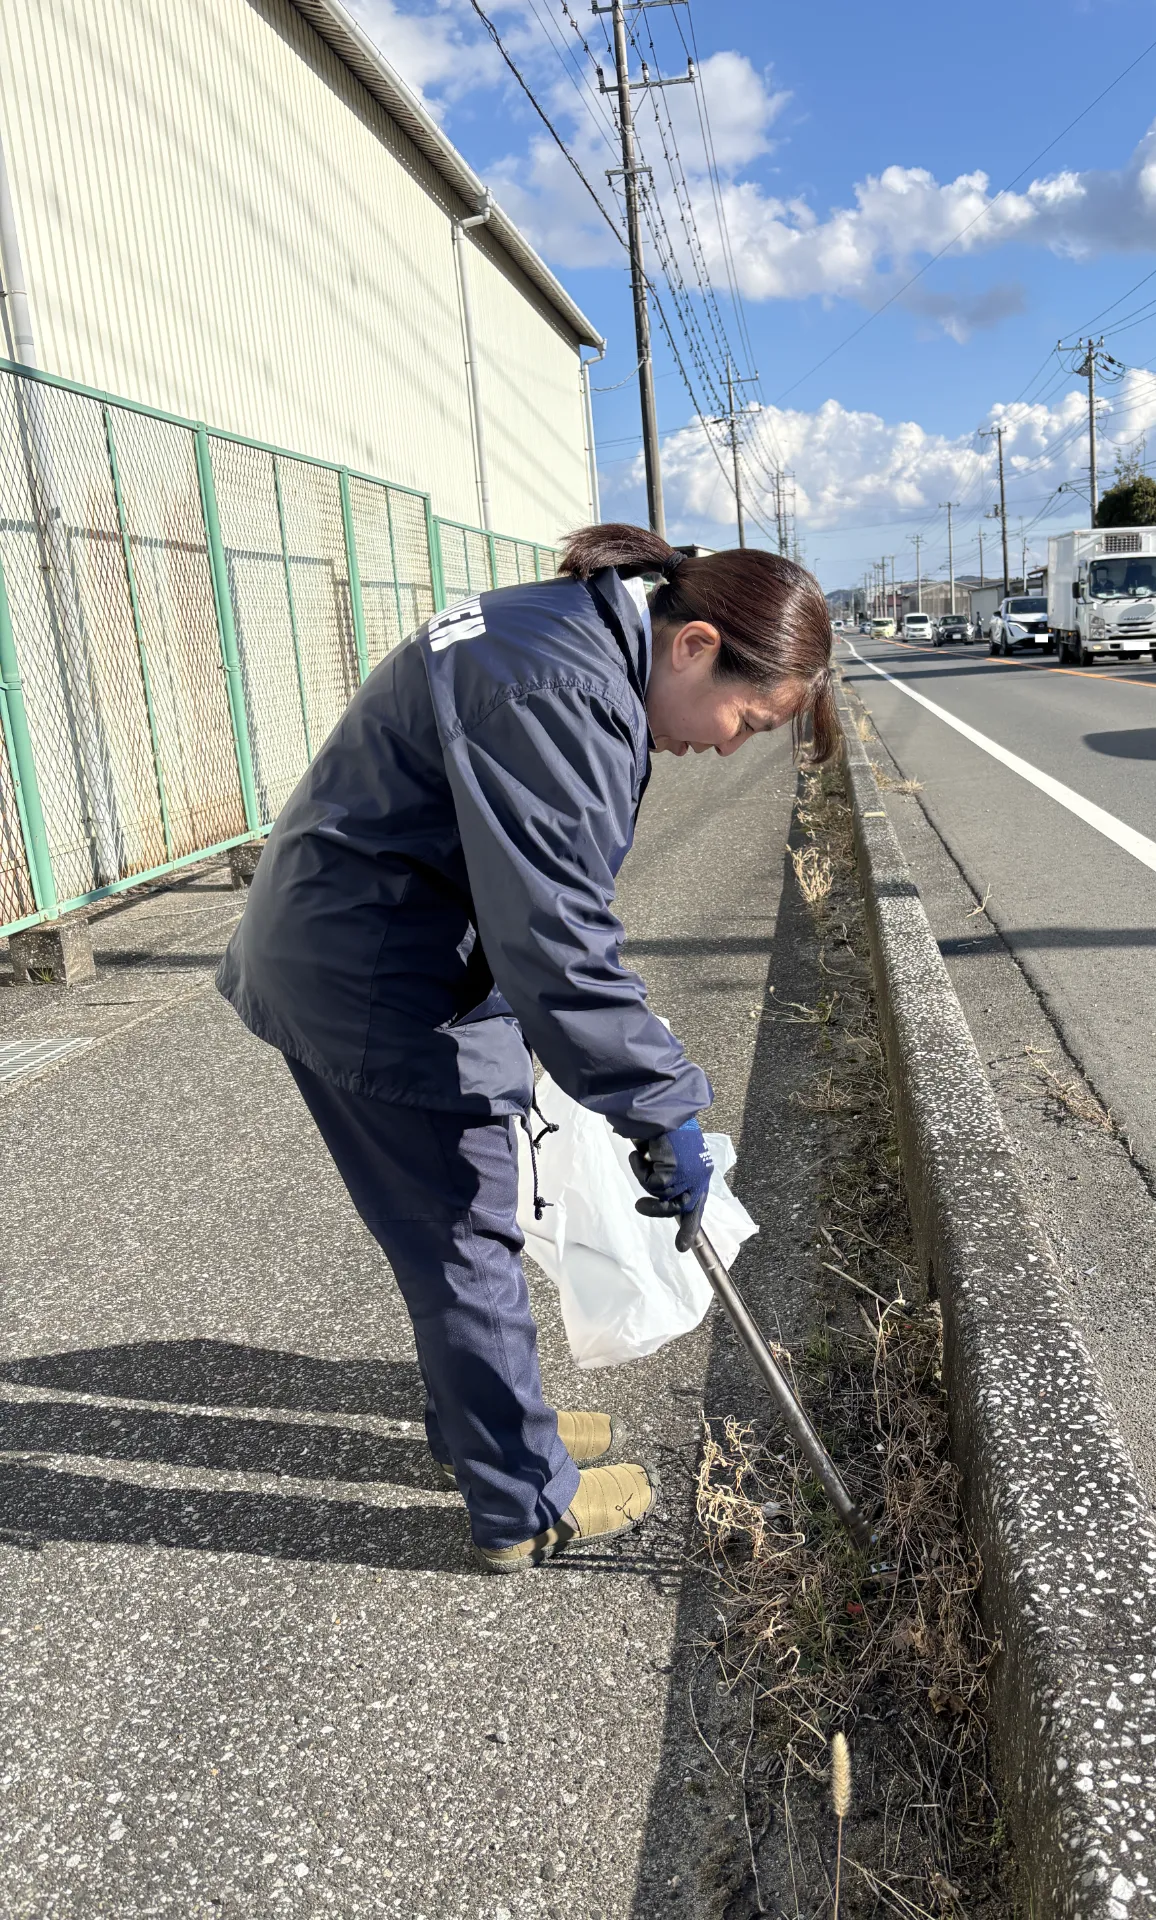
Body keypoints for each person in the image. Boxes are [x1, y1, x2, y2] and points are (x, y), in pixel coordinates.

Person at [216, 522, 838, 1573]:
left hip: (373, 932)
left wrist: (636, 1089)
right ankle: (521, 1499)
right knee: (463, 1240)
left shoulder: (566, 633)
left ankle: (485, 1432)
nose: (729, 746)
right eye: (748, 717)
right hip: (374, 975)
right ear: (692, 646)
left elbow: (540, 914)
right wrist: (663, 1109)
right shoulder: (564, 692)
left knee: (458, 1229)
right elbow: (555, 940)